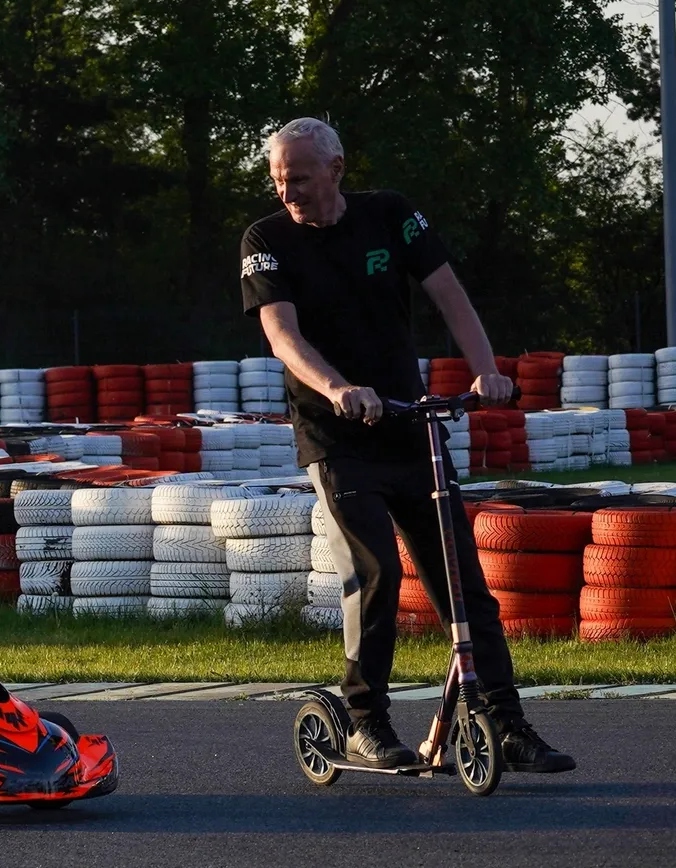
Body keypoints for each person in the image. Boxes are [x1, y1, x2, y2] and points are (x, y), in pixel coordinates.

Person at [240, 117, 573, 773]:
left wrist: (487, 370)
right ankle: (366, 720)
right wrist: (338, 388)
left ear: (337, 169)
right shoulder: (266, 239)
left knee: (463, 584)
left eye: (300, 178)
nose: (288, 192)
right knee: (378, 574)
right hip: (338, 436)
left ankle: (507, 724)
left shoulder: (389, 216)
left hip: (409, 423)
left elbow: (449, 294)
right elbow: (282, 336)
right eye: (280, 180)